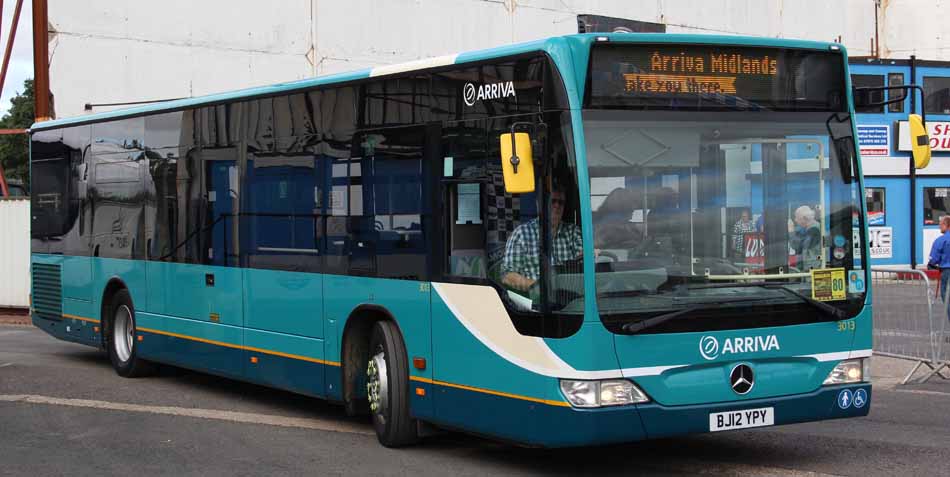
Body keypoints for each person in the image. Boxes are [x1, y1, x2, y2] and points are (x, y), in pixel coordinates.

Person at [502, 186, 583, 293]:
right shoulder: (521, 234)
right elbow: (507, 276)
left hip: (572, 300)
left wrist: (592, 254)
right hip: (538, 304)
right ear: (539, 204)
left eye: (561, 202)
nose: (557, 205)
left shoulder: (573, 232)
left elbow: (583, 262)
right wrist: (538, 287)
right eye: (552, 201)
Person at [789, 205, 821, 271]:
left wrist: (791, 231)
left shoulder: (814, 230)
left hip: (813, 270)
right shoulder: (810, 229)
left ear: (805, 218)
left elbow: (797, 245)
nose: (795, 220)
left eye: (796, 217)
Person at [927, 216, 950, 302]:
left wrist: (931, 265)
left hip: (947, 271)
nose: (939, 227)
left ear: (945, 224)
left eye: (940, 224)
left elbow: (933, 259)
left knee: (947, 298)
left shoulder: (940, 240)